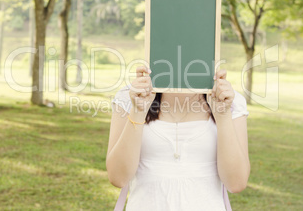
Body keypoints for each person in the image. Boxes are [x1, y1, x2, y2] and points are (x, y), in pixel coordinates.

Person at [106, 65, 250, 210]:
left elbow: (236, 183)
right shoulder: (130, 96)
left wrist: (223, 115)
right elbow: (118, 177)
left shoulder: (229, 100)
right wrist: (138, 110)